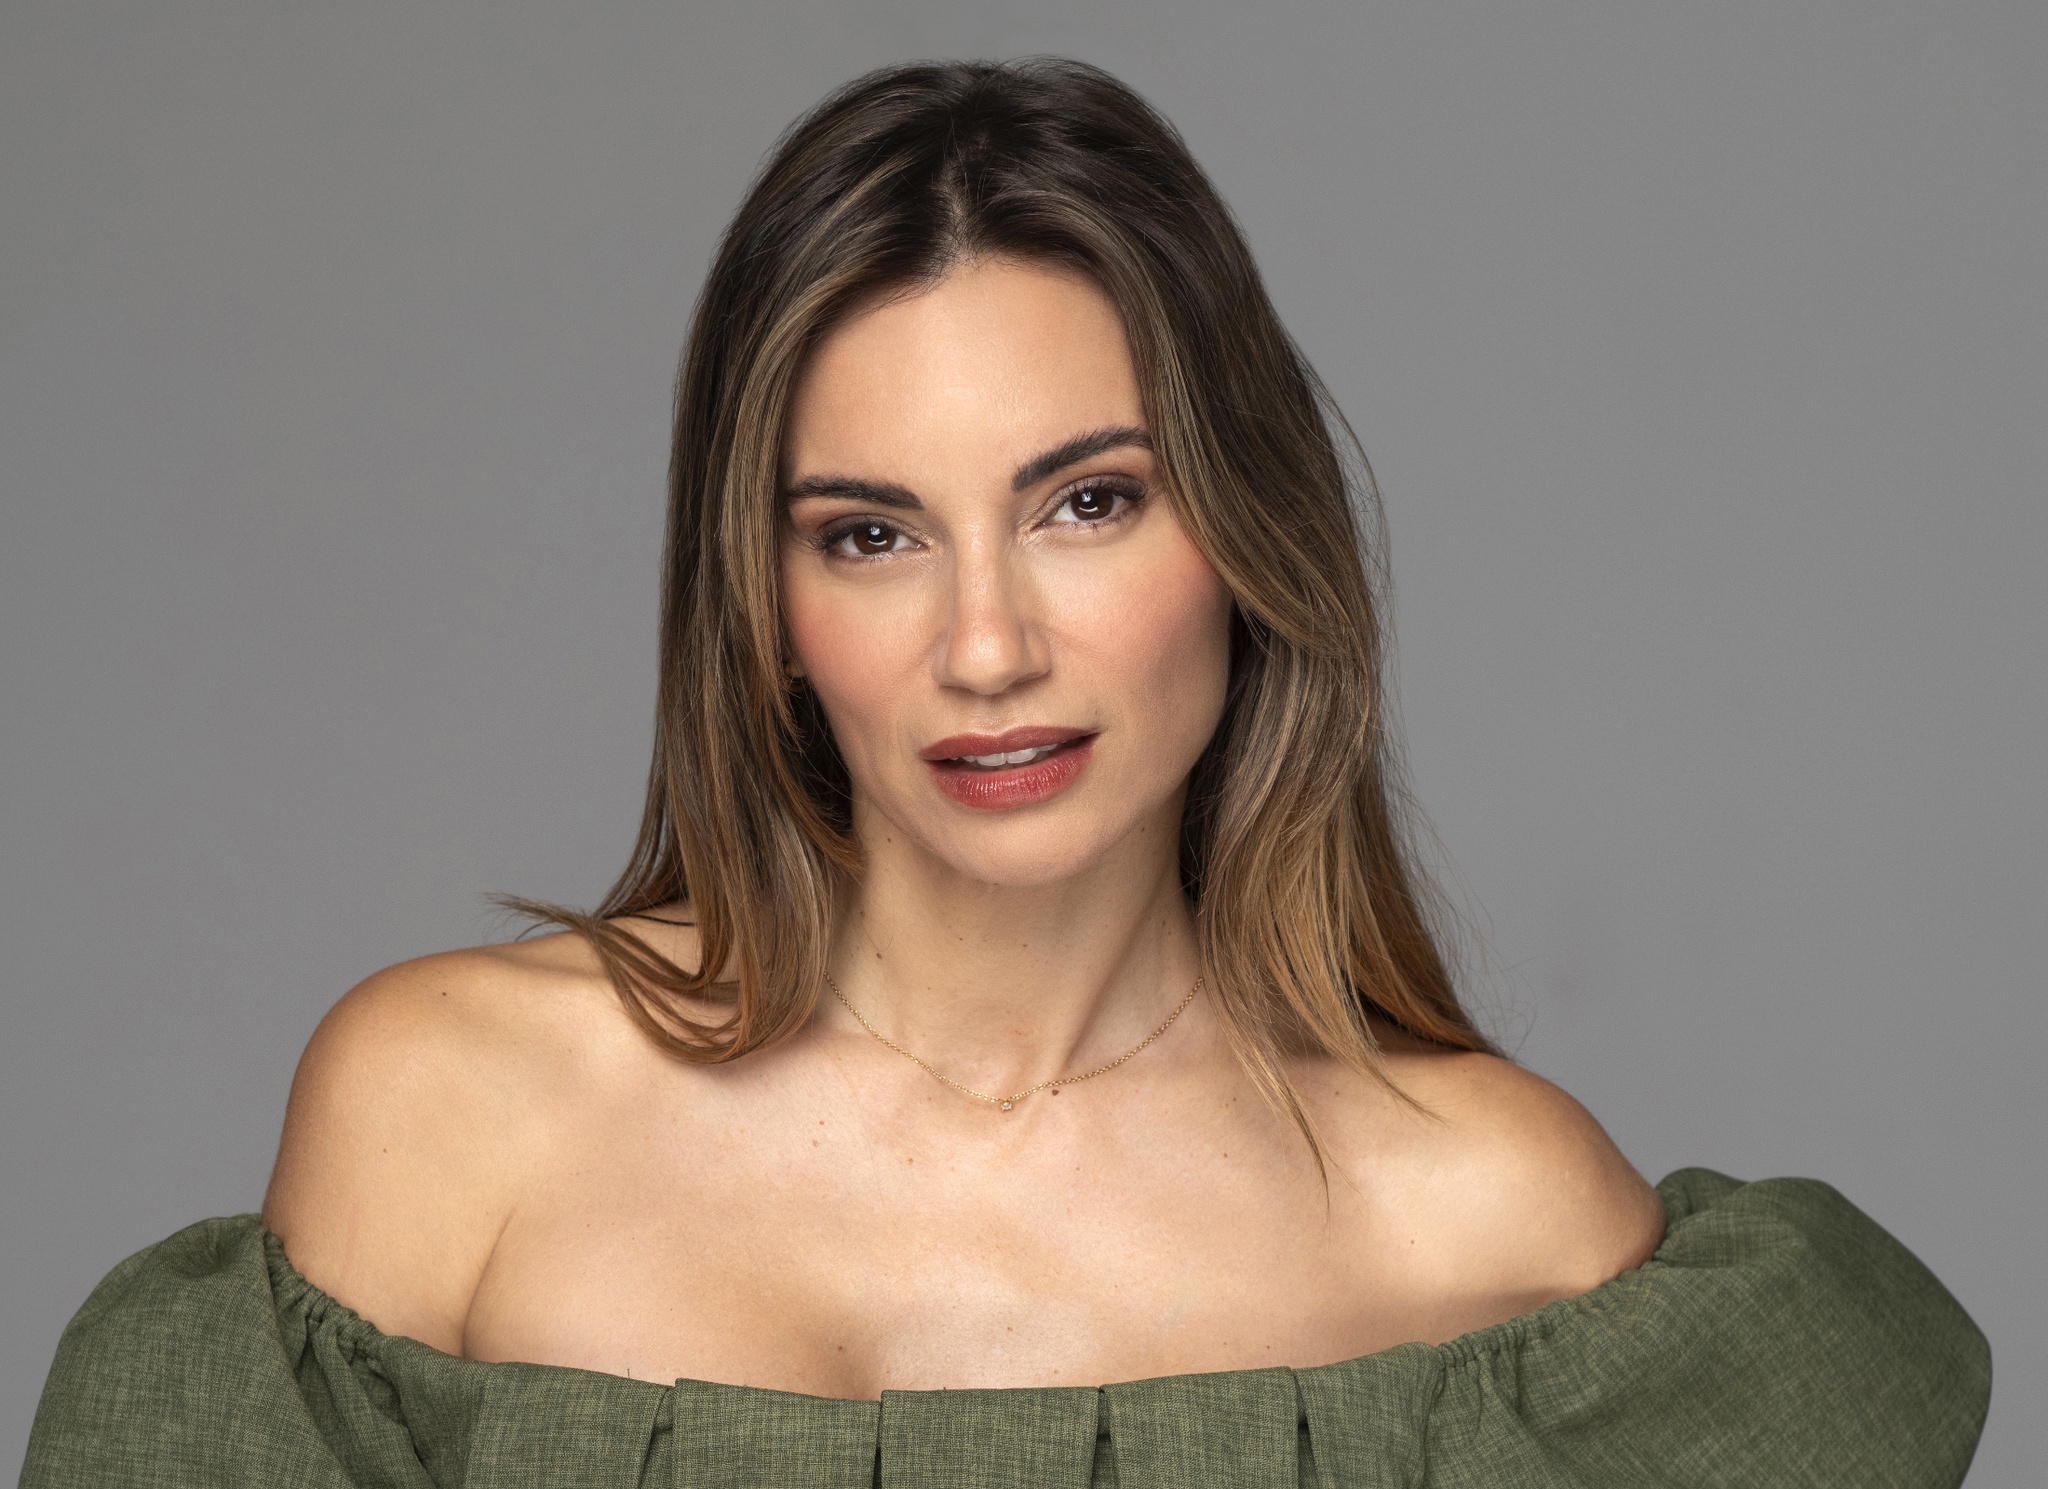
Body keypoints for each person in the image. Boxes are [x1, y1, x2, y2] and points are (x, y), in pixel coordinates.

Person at [24, 58, 1988, 1488]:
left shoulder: (1487, 1222)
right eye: (871, 532)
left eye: (1086, 502)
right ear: (767, 605)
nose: (985, 646)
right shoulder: (448, 1119)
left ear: (1246, 530)